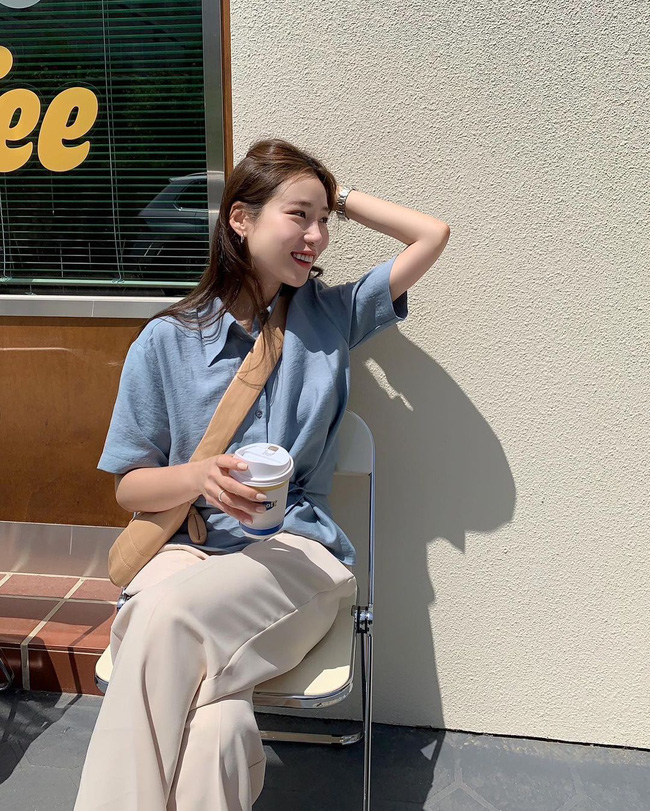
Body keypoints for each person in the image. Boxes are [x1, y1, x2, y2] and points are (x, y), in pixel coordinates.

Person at [74, 138, 450, 811]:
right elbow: (130, 487)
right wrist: (198, 477)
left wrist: (334, 193)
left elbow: (431, 235)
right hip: (186, 550)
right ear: (240, 219)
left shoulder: (330, 316)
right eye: (298, 216)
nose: (317, 236)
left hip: (295, 554)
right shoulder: (166, 342)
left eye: (324, 221)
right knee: (217, 726)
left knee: (160, 618)